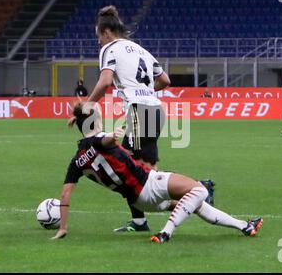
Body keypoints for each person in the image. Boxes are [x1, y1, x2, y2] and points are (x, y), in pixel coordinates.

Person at [82, 5, 215, 233]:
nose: (98, 42)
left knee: (130, 171)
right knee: (144, 174)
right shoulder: (140, 49)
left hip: (139, 110)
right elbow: (165, 80)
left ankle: (196, 191)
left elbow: (105, 82)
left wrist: (88, 103)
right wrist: (146, 91)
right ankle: (150, 217)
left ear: (105, 32)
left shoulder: (110, 49)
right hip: (155, 109)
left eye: (98, 36)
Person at [52, 102, 263, 243]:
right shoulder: (100, 139)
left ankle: (244, 226)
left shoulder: (77, 159)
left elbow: (65, 195)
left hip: (138, 201)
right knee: (199, 190)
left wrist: (63, 227)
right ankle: (165, 233)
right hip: (149, 183)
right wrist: (112, 137)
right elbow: (102, 140)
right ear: (94, 120)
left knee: (196, 204)